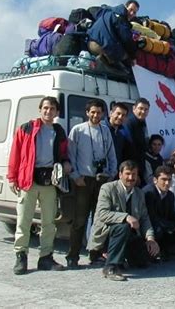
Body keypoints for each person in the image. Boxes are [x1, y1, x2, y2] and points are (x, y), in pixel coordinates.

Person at [7, 96, 71, 275]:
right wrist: (12, 178)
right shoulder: (27, 128)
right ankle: (21, 256)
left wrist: (66, 162)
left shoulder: (59, 131)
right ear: (40, 109)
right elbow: (15, 153)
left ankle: (46, 257)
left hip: (50, 181)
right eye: (45, 108)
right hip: (28, 180)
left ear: (57, 112)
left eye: (52, 109)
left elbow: (64, 152)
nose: (48, 112)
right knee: (23, 221)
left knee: (49, 222)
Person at [87, 160, 159, 281]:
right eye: (127, 174)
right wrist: (125, 217)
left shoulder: (139, 193)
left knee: (145, 260)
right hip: (108, 234)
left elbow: (145, 218)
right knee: (124, 226)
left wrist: (151, 239)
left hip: (130, 235)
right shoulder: (108, 188)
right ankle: (110, 267)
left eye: (134, 174)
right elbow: (102, 213)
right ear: (120, 174)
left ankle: (122, 259)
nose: (131, 178)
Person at [66, 99, 117, 268]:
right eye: (92, 112)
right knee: (80, 219)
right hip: (83, 180)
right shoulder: (78, 130)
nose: (96, 115)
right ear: (87, 113)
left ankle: (95, 253)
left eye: (99, 112)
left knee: (99, 219)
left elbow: (111, 153)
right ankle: (72, 256)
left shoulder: (105, 131)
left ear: (103, 114)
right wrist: (75, 176)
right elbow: (70, 155)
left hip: (101, 180)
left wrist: (112, 173)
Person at [87, 0, 140, 70]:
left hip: (90, 43)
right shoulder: (121, 19)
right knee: (125, 55)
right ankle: (105, 62)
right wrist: (133, 57)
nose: (132, 13)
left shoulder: (108, 10)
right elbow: (127, 39)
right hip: (100, 48)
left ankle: (105, 60)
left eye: (134, 12)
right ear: (125, 6)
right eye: (131, 9)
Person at [123, 97, 150, 184]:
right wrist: (135, 173)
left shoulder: (142, 124)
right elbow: (131, 149)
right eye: (140, 108)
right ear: (134, 108)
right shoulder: (129, 123)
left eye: (146, 109)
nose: (143, 111)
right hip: (131, 169)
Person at [107, 102, 129, 166]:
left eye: (123, 115)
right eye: (118, 113)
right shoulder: (101, 128)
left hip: (114, 172)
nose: (120, 117)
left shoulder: (121, 134)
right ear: (111, 113)